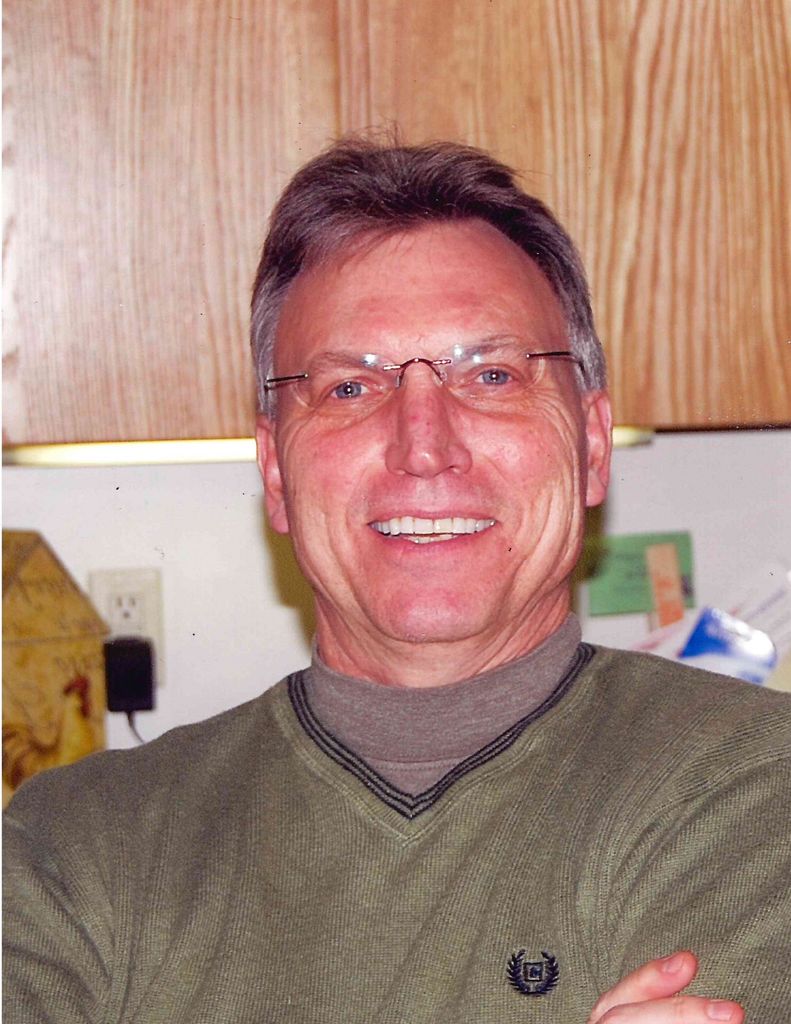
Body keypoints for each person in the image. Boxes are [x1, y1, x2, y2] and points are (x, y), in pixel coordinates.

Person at [4, 138, 790, 1023]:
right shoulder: (71, 847)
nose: (423, 445)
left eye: (491, 375)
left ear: (592, 446)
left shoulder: (755, 784)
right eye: (349, 388)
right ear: (274, 471)